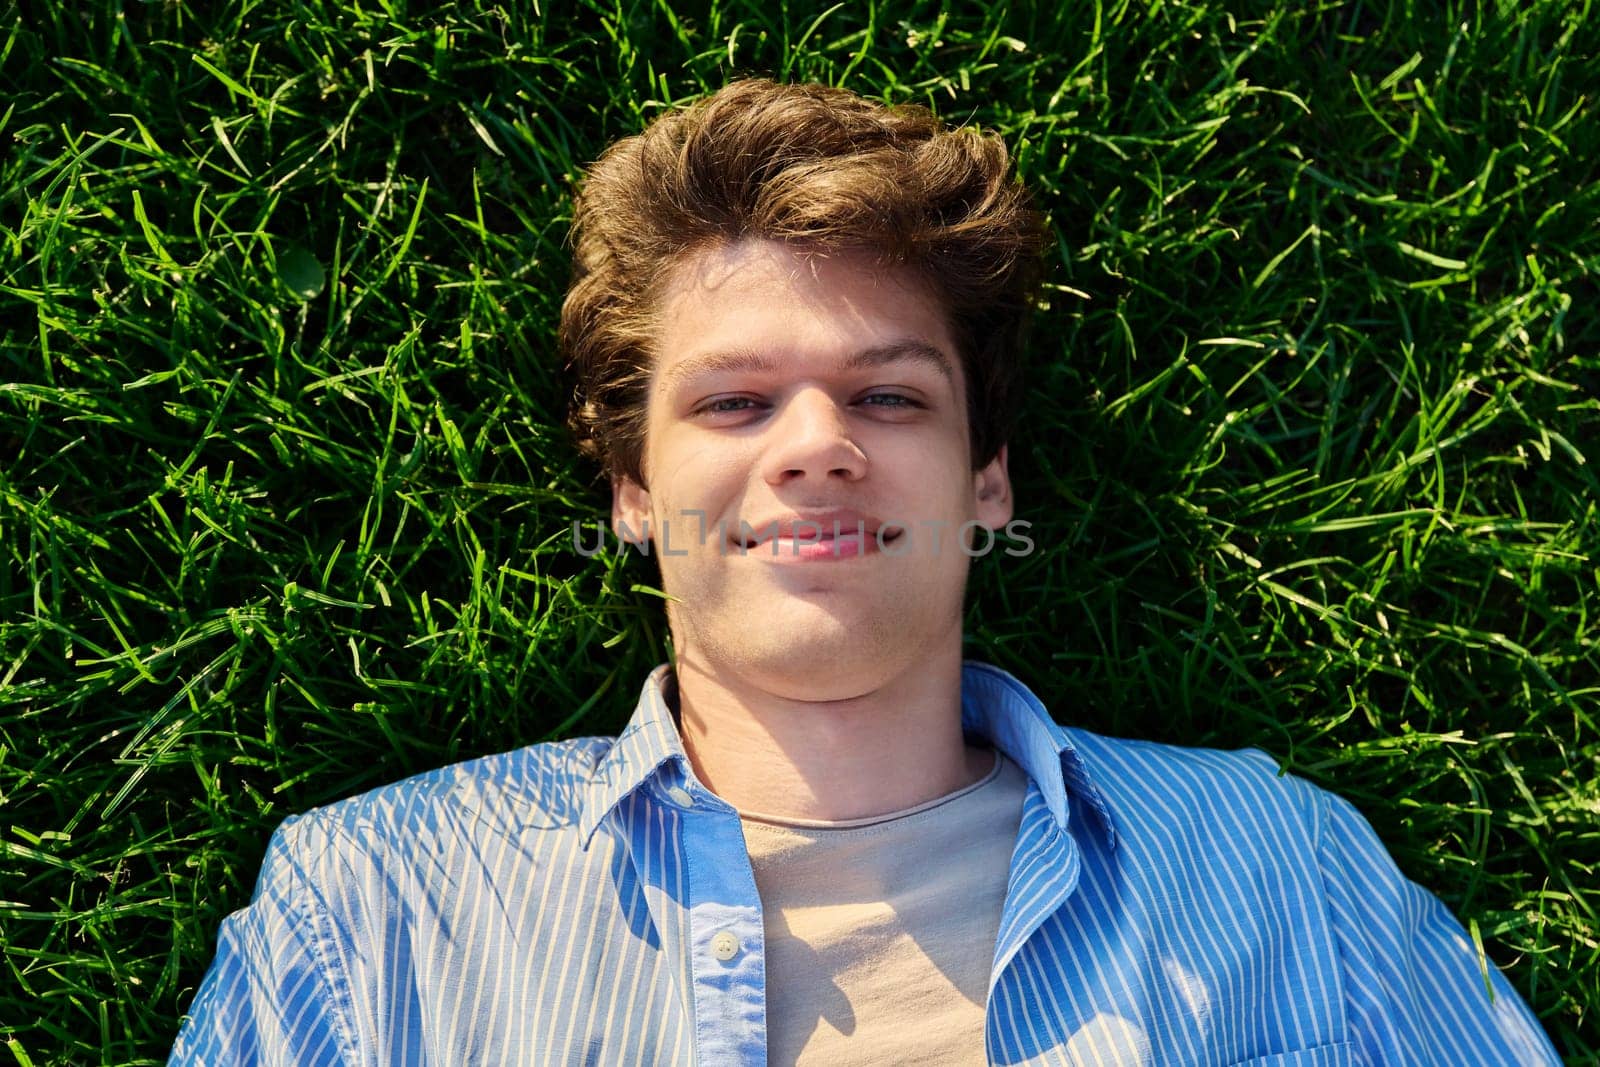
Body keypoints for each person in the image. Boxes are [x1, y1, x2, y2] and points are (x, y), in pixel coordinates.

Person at [170, 78, 1559, 1065]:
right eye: (732, 404)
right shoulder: (376, 910)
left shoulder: (1276, 867)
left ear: (988, 482)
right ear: (637, 492)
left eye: (890, 399)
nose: (819, 446)